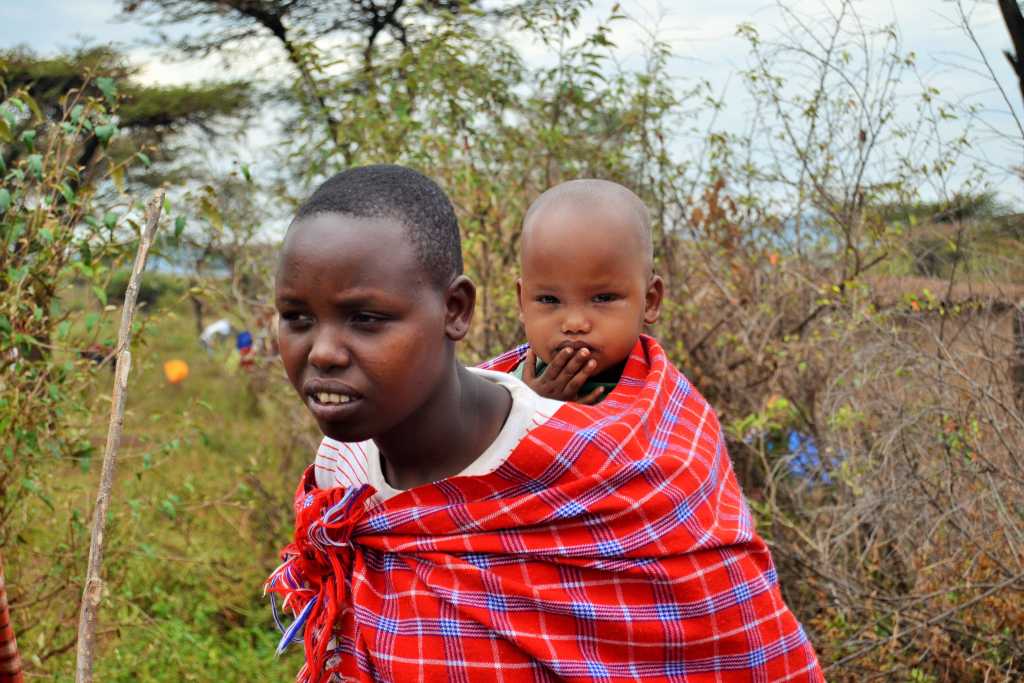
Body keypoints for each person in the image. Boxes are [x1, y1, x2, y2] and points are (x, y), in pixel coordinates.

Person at [268, 165, 822, 682]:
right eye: (296, 318)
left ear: (457, 309)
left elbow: (729, 640)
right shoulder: (340, 471)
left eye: (366, 318)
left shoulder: (615, 470)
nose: (323, 353)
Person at [507, 178, 663, 405]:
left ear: (650, 301)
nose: (574, 323)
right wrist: (531, 406)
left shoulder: (666, 405)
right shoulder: (509, 389)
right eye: (549, 299)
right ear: (522, 302)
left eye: (603, 298)